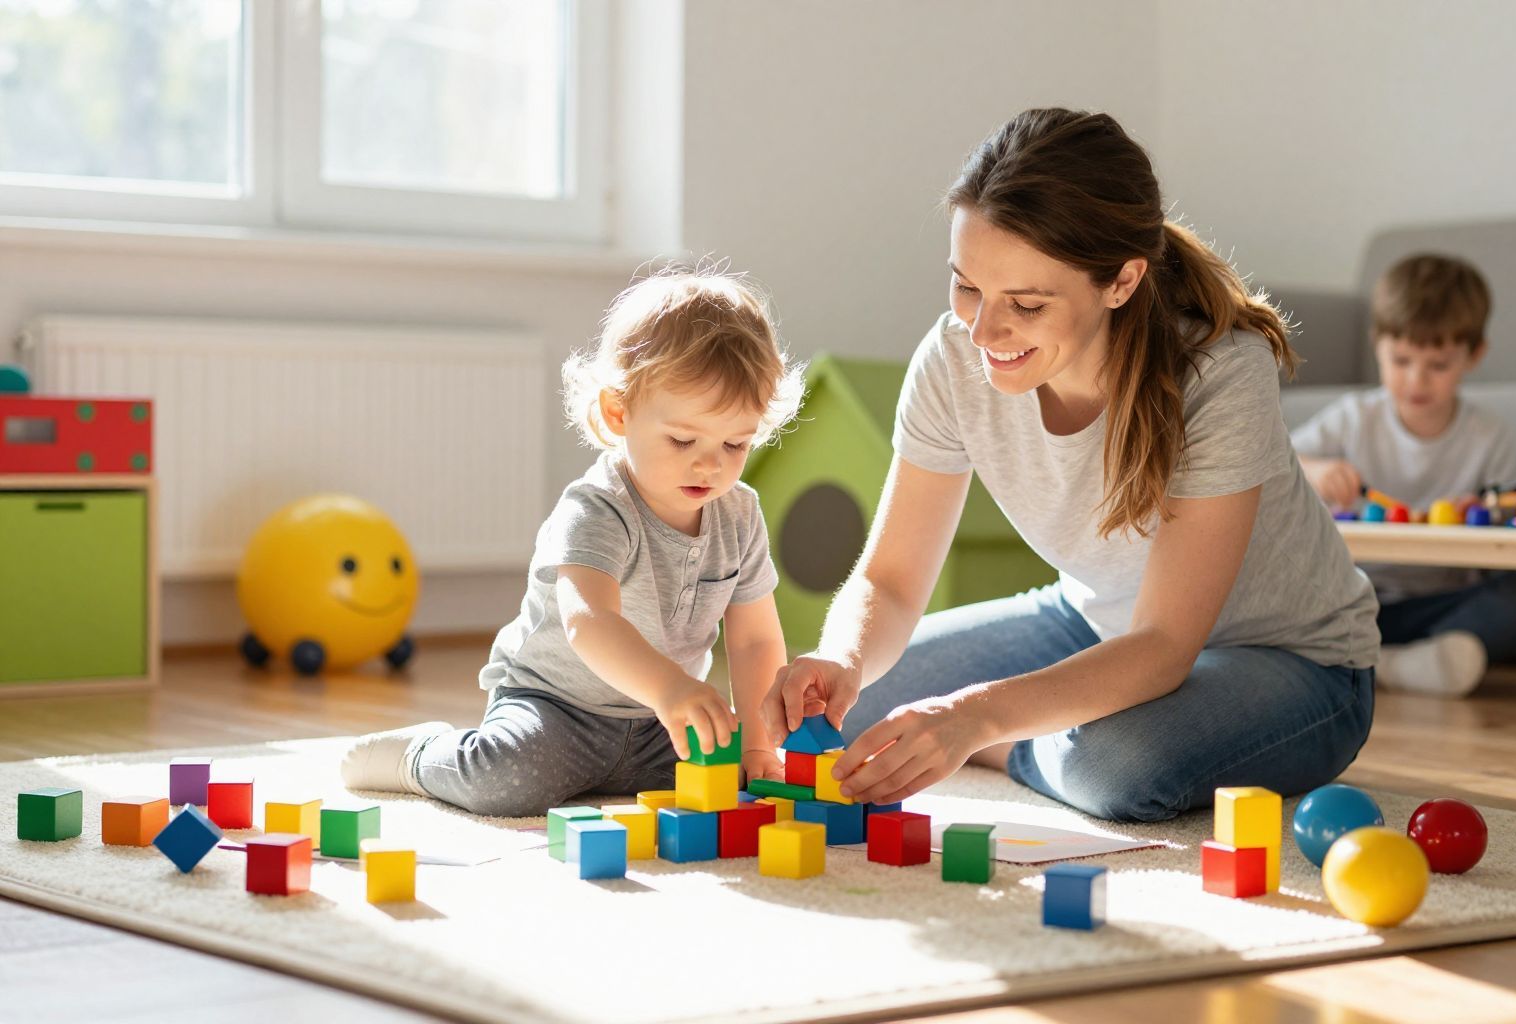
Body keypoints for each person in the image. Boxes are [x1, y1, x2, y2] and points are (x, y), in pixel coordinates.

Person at [762, 108, 1379, 822]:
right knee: (853, 705)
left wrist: (978, 720)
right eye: (967, 286)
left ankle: (1020, 743)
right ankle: (1024, 727)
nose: (984, 331)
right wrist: (842, 657)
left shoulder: (1220, 373)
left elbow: (1164, 645)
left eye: (1025, 303)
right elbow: (892, 580)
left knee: (1112, 764)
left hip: (1293, 662)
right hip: (1091, 621)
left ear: (1120, 282)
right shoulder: (954, 356)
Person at [341, 265, 803, 815]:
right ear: (618, 412)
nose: (711, 463)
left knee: (735, 790)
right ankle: (419, 756)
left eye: (735, 443)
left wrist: (755, 745)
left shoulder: (740, 514)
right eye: (682, 439)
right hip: (557, 707)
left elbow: (753, 640)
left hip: (659, 724)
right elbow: (591, 620)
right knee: (508, 782)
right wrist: (670, 688)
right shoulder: (597, 506)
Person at [1294, 254, 1516, 697]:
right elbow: (1275, 458)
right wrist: (1316, 469)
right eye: (1401, 360)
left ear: (1474, 355)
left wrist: (1483, 511)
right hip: (1354, 598)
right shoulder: (1353, 419)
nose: (1417, 380)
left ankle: (1407, 661)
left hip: (1442, 607)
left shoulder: (1488, 436)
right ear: (1377, 344)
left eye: (1438, 365)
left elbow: (1505, 529)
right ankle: (1392, 661)